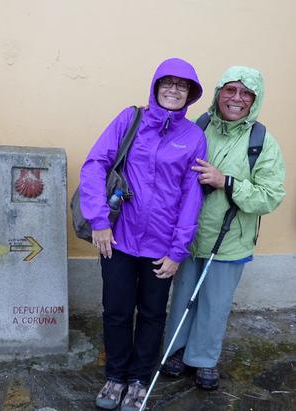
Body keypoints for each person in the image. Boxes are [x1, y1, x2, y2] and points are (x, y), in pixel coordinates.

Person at [79, 58, 207, 411]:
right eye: (167, 82)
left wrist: (178, 249)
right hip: (118, 238)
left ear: (191, 94)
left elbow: (191, 196)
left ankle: (139, 380)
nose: (174, 89)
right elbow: (95, 165)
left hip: (161, 245)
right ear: (155, 85)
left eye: (183, 85)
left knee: (152, 314)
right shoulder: (129, 119)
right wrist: (99, 221)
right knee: (117, 311)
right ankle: (116, 376)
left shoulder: (194, 137)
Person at [162, 66, 286, 391]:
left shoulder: (262, 142)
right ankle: (176, 351)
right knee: (183, 297)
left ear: (254, 101)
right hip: (188, 237)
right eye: (230, 90)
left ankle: (203, 359)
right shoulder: (197, 128)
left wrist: (226, 182)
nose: (237, 98)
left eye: (246, 93)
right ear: (218, 93)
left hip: (230, 240)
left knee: (215, 303)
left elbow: (270, 196)